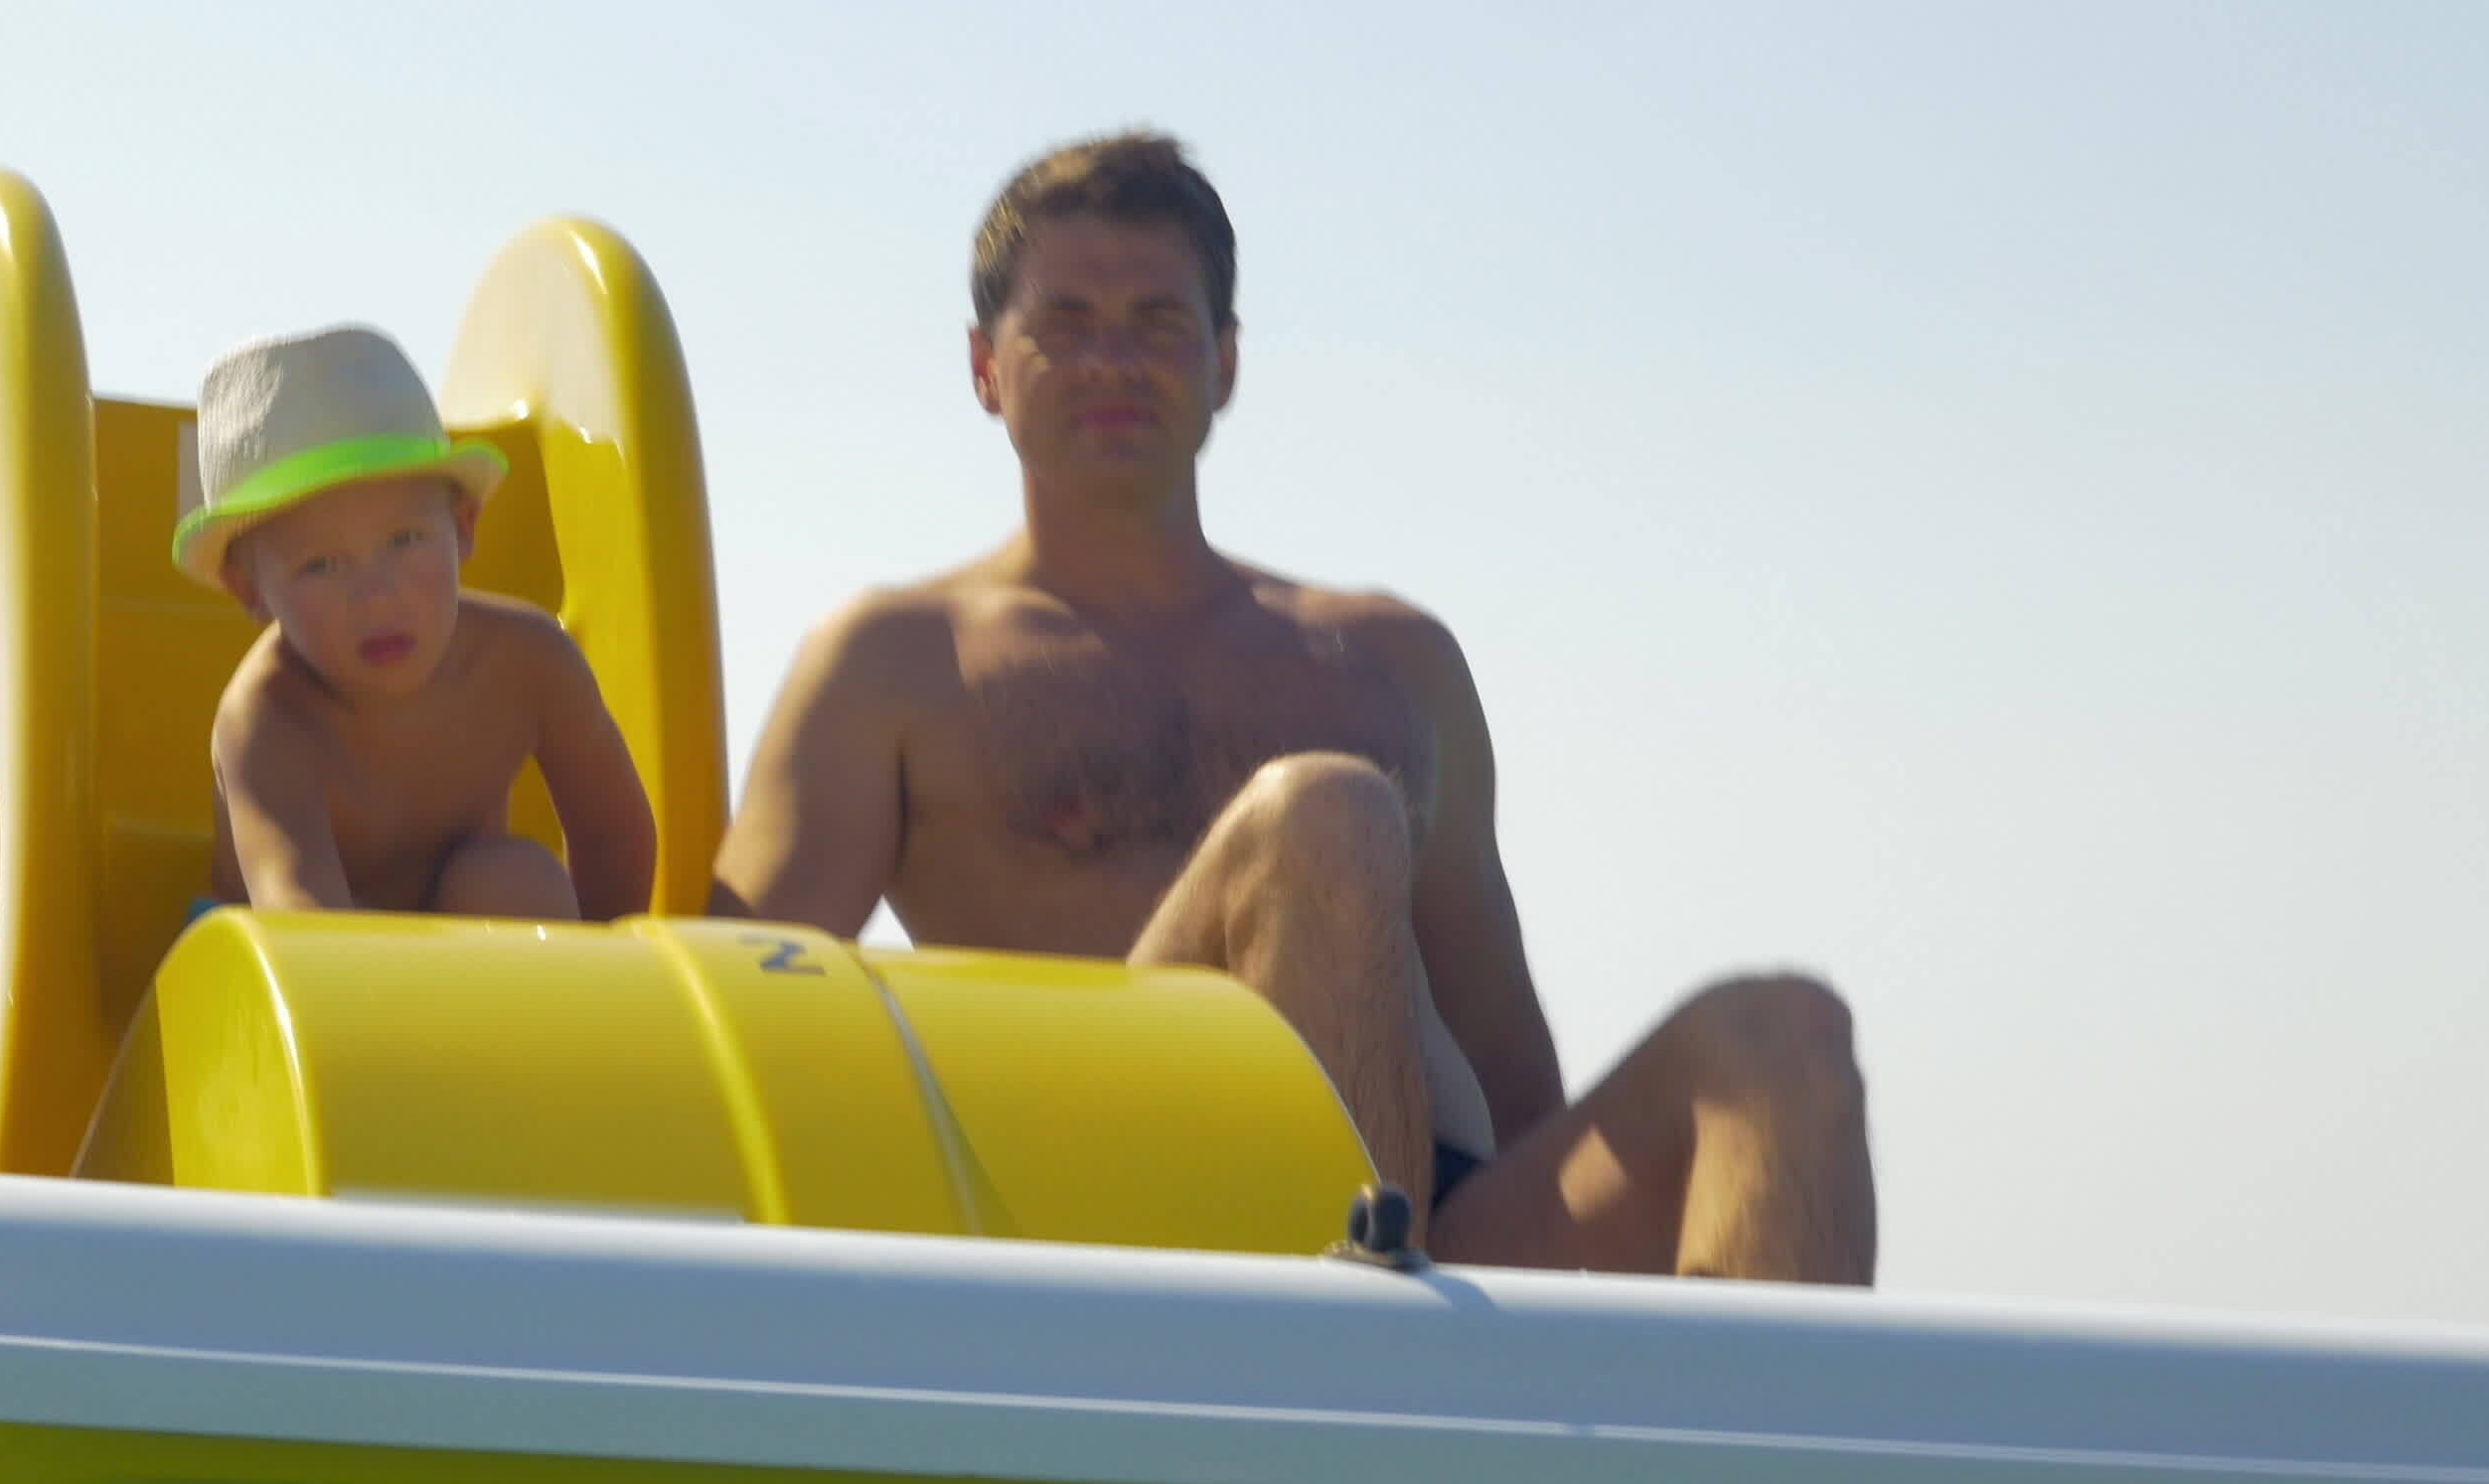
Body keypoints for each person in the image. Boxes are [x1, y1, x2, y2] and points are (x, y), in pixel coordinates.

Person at [709, 134, 1873, 1282]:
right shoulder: (894, 662)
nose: (1112, 362)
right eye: (1064, 326)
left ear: (1224, 362)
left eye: (1158, 324)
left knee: (1781, 1037)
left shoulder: (1392, 658)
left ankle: (1783, 1453)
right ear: (984, 368)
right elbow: (736, 1014)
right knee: (1318, 817)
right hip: (1109, 1211)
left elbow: (1509, 1064)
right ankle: (1362, 1378)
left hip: (1438, 1224)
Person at [177, 327, 655, 922]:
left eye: (404, 540)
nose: (376, 596)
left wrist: (607, 977)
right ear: (248, 590)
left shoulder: (530, 662)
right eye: (320, 566)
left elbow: (615, 834)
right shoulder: (268, 718)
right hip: (280, 966)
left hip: (449, 949)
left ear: (464, 525)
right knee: (341, 925)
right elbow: (302, 920)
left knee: (515, 880)